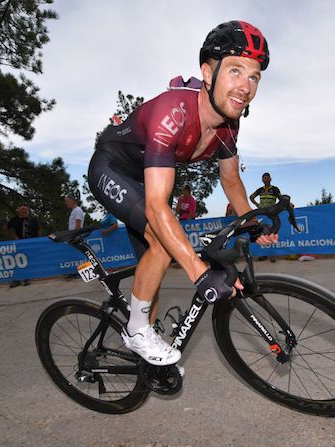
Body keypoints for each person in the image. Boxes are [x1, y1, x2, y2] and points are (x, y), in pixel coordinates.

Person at [88, 20, 277, 366]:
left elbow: (231, 180)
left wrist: (251, 219)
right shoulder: (174, 112)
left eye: (254, 77)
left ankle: (142, 335)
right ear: (208, 72)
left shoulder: (228, 125)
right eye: (235, 71)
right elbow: (158, 205)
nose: (246, 86)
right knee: (162, 241)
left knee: (153, 264)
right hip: (113, 167)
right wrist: (197, 270)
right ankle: (135, 332)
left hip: (148, 178)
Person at [5, 204, 40, 287]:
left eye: (26, 210)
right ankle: (16, 280)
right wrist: (13, 236)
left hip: (30, 243)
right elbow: (6, 228)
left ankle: (27, 278)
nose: (24, 212)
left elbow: (38, 230)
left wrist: (38, 241)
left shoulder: (33, 220)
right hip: (18, 244)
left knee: (28, 261)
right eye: (22, 210)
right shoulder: (14, 220)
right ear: (19, 211)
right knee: (16, 261)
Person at [250, 172, 281, 262]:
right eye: (264, 178)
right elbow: (251, 197)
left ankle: (272, 255)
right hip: (262, 213)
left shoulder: (275, 189)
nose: (266, 179)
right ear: (262, 180)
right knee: (261, 234)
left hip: (272, 214)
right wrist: (257, 204)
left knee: (272, 234)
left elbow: (281, 198)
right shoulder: (260, 190)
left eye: (267, 178)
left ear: (270, 179)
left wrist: (287, 204)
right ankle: (263, 254)